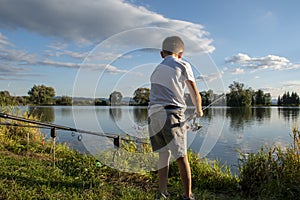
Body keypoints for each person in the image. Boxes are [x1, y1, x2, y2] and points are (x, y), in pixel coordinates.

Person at [148, 36, 203, 200]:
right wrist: (199, 110)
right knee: (181, 157)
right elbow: (195, 93)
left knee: (163, 155)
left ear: (161, 54)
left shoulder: (156, 69)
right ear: (181, 53)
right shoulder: (183, 64)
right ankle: (188, 195)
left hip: (153, 115)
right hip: (171, 114)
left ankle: (162, 192)